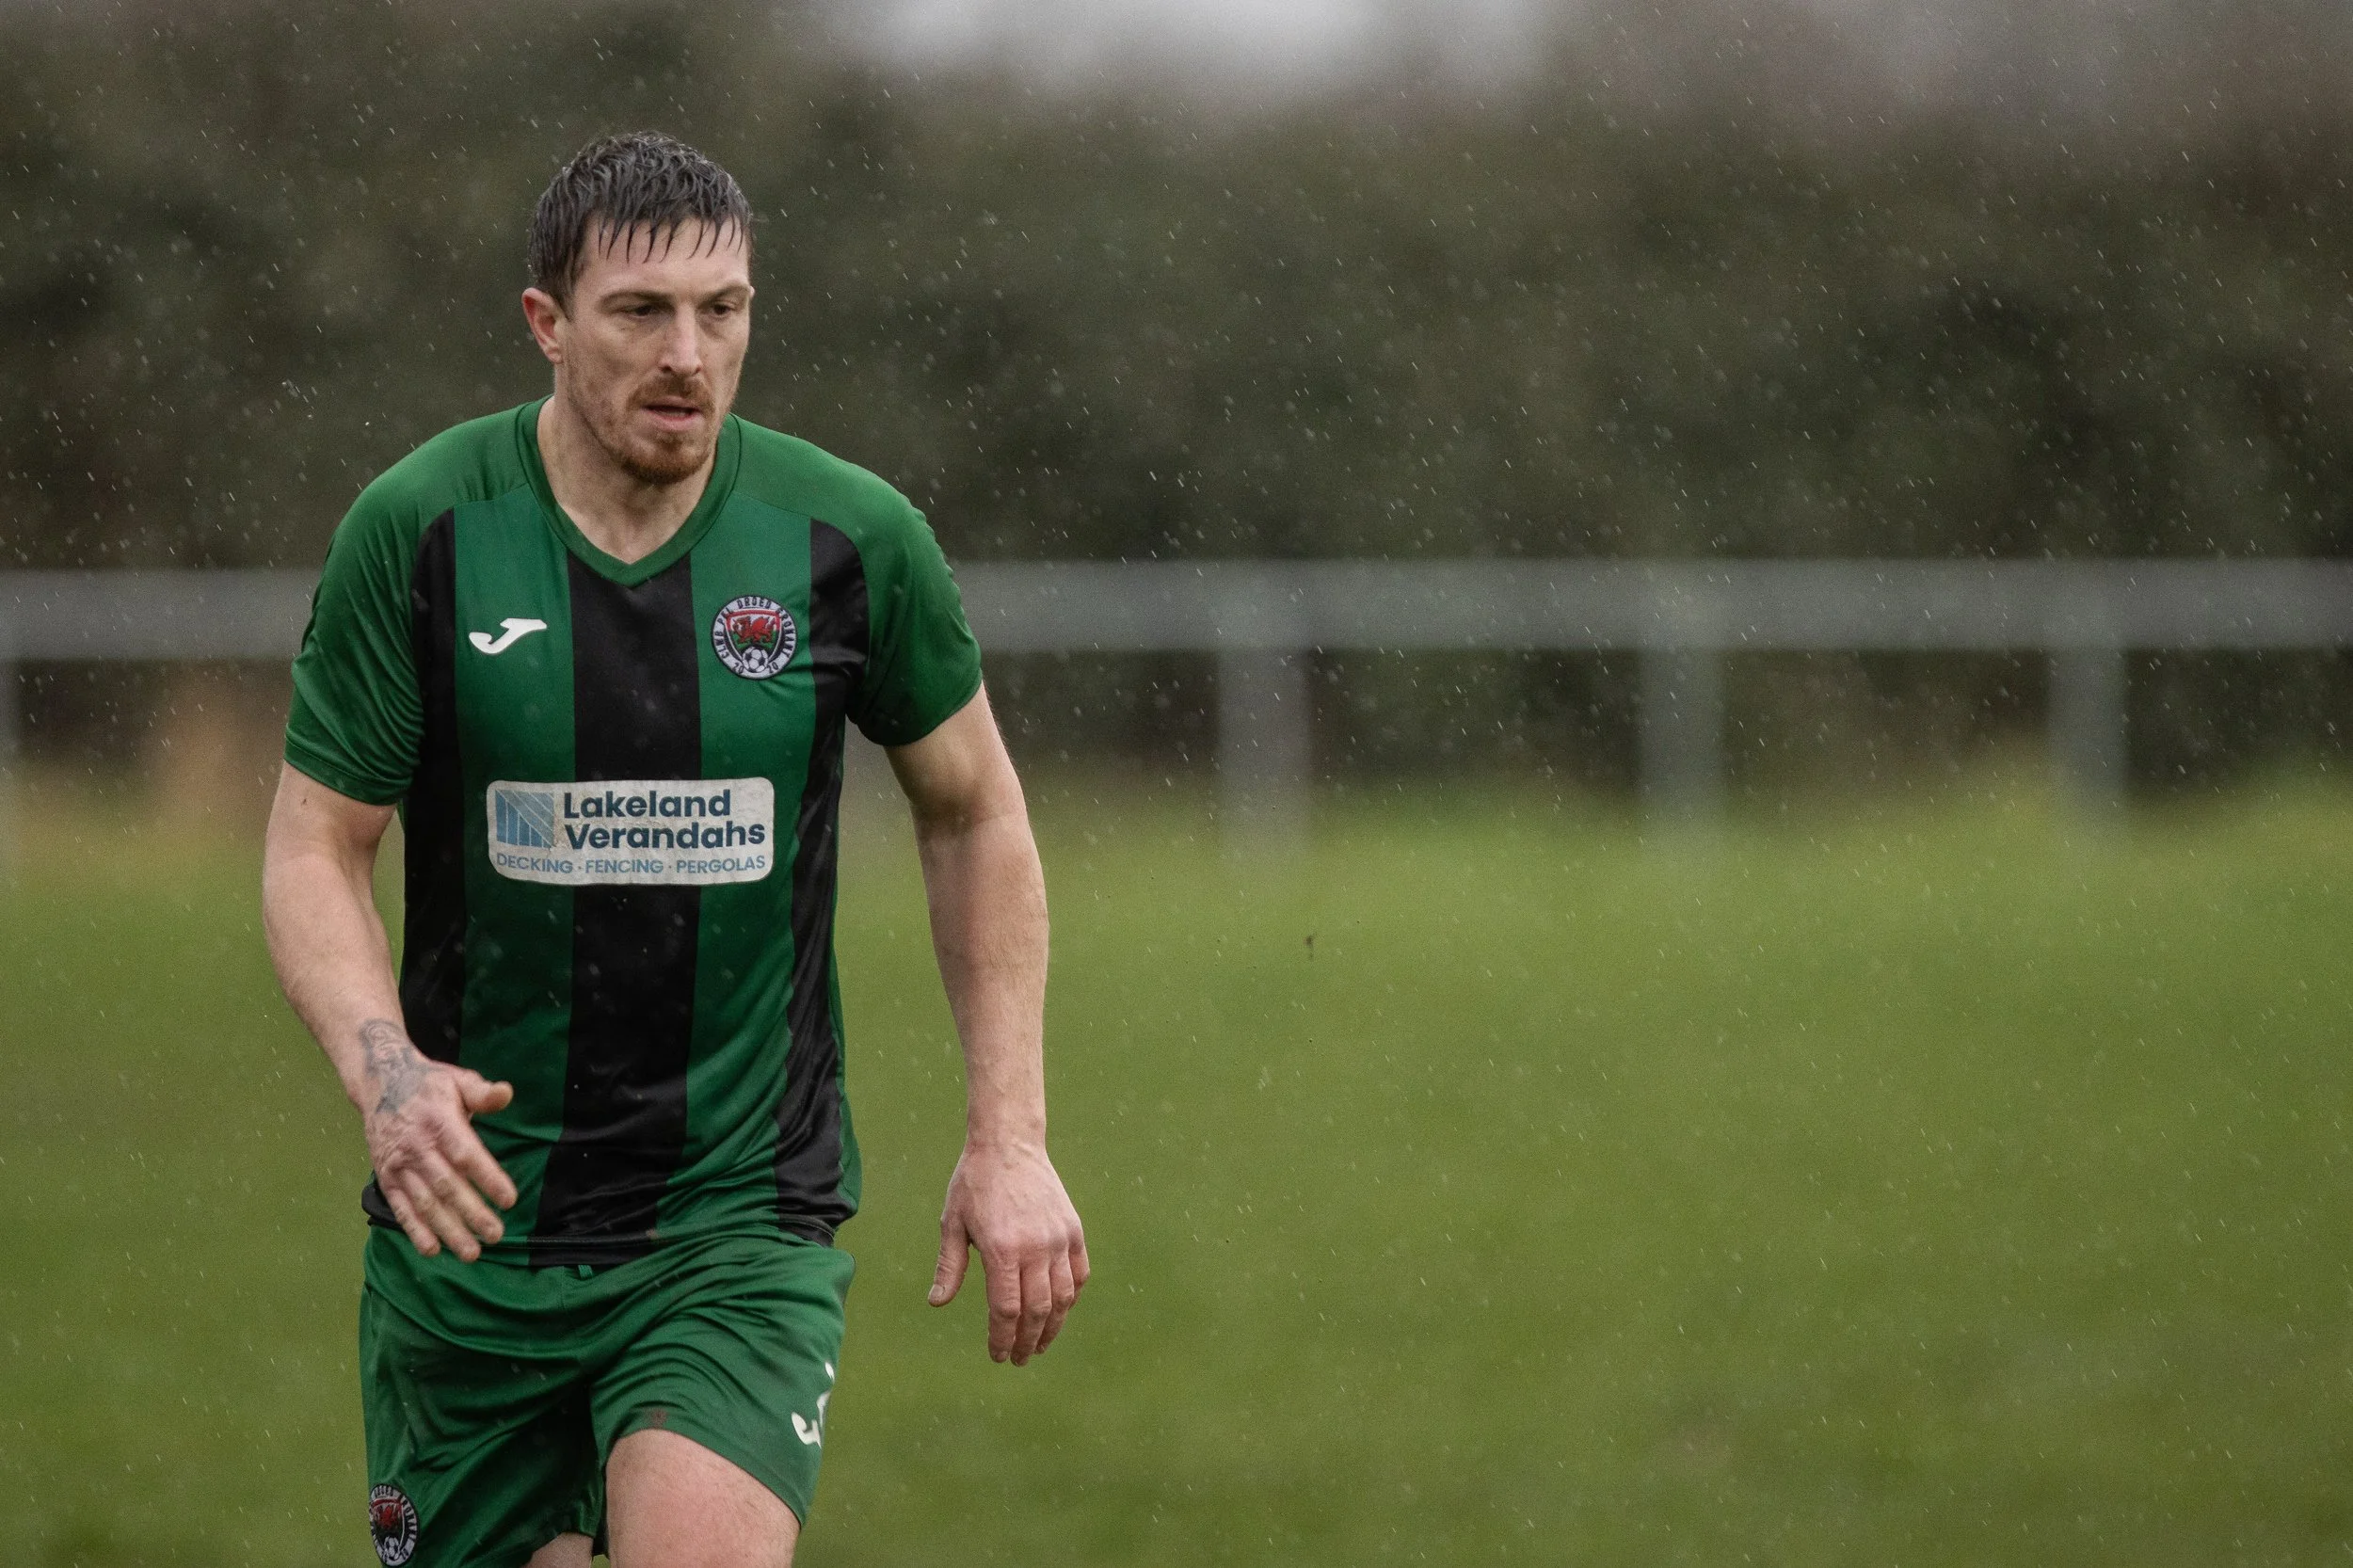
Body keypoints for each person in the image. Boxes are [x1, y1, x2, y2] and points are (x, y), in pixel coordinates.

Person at [261, 131, 1087, 1568]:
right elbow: (314, 848)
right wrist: (385, 1072)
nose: (689, 353)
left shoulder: (849, 538)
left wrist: (1008, 1139)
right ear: (546, 323)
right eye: (641, 311)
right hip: (474, 1231)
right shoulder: (424, 533)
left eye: (726, 308)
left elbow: (975, 811)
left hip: (734, 1221)